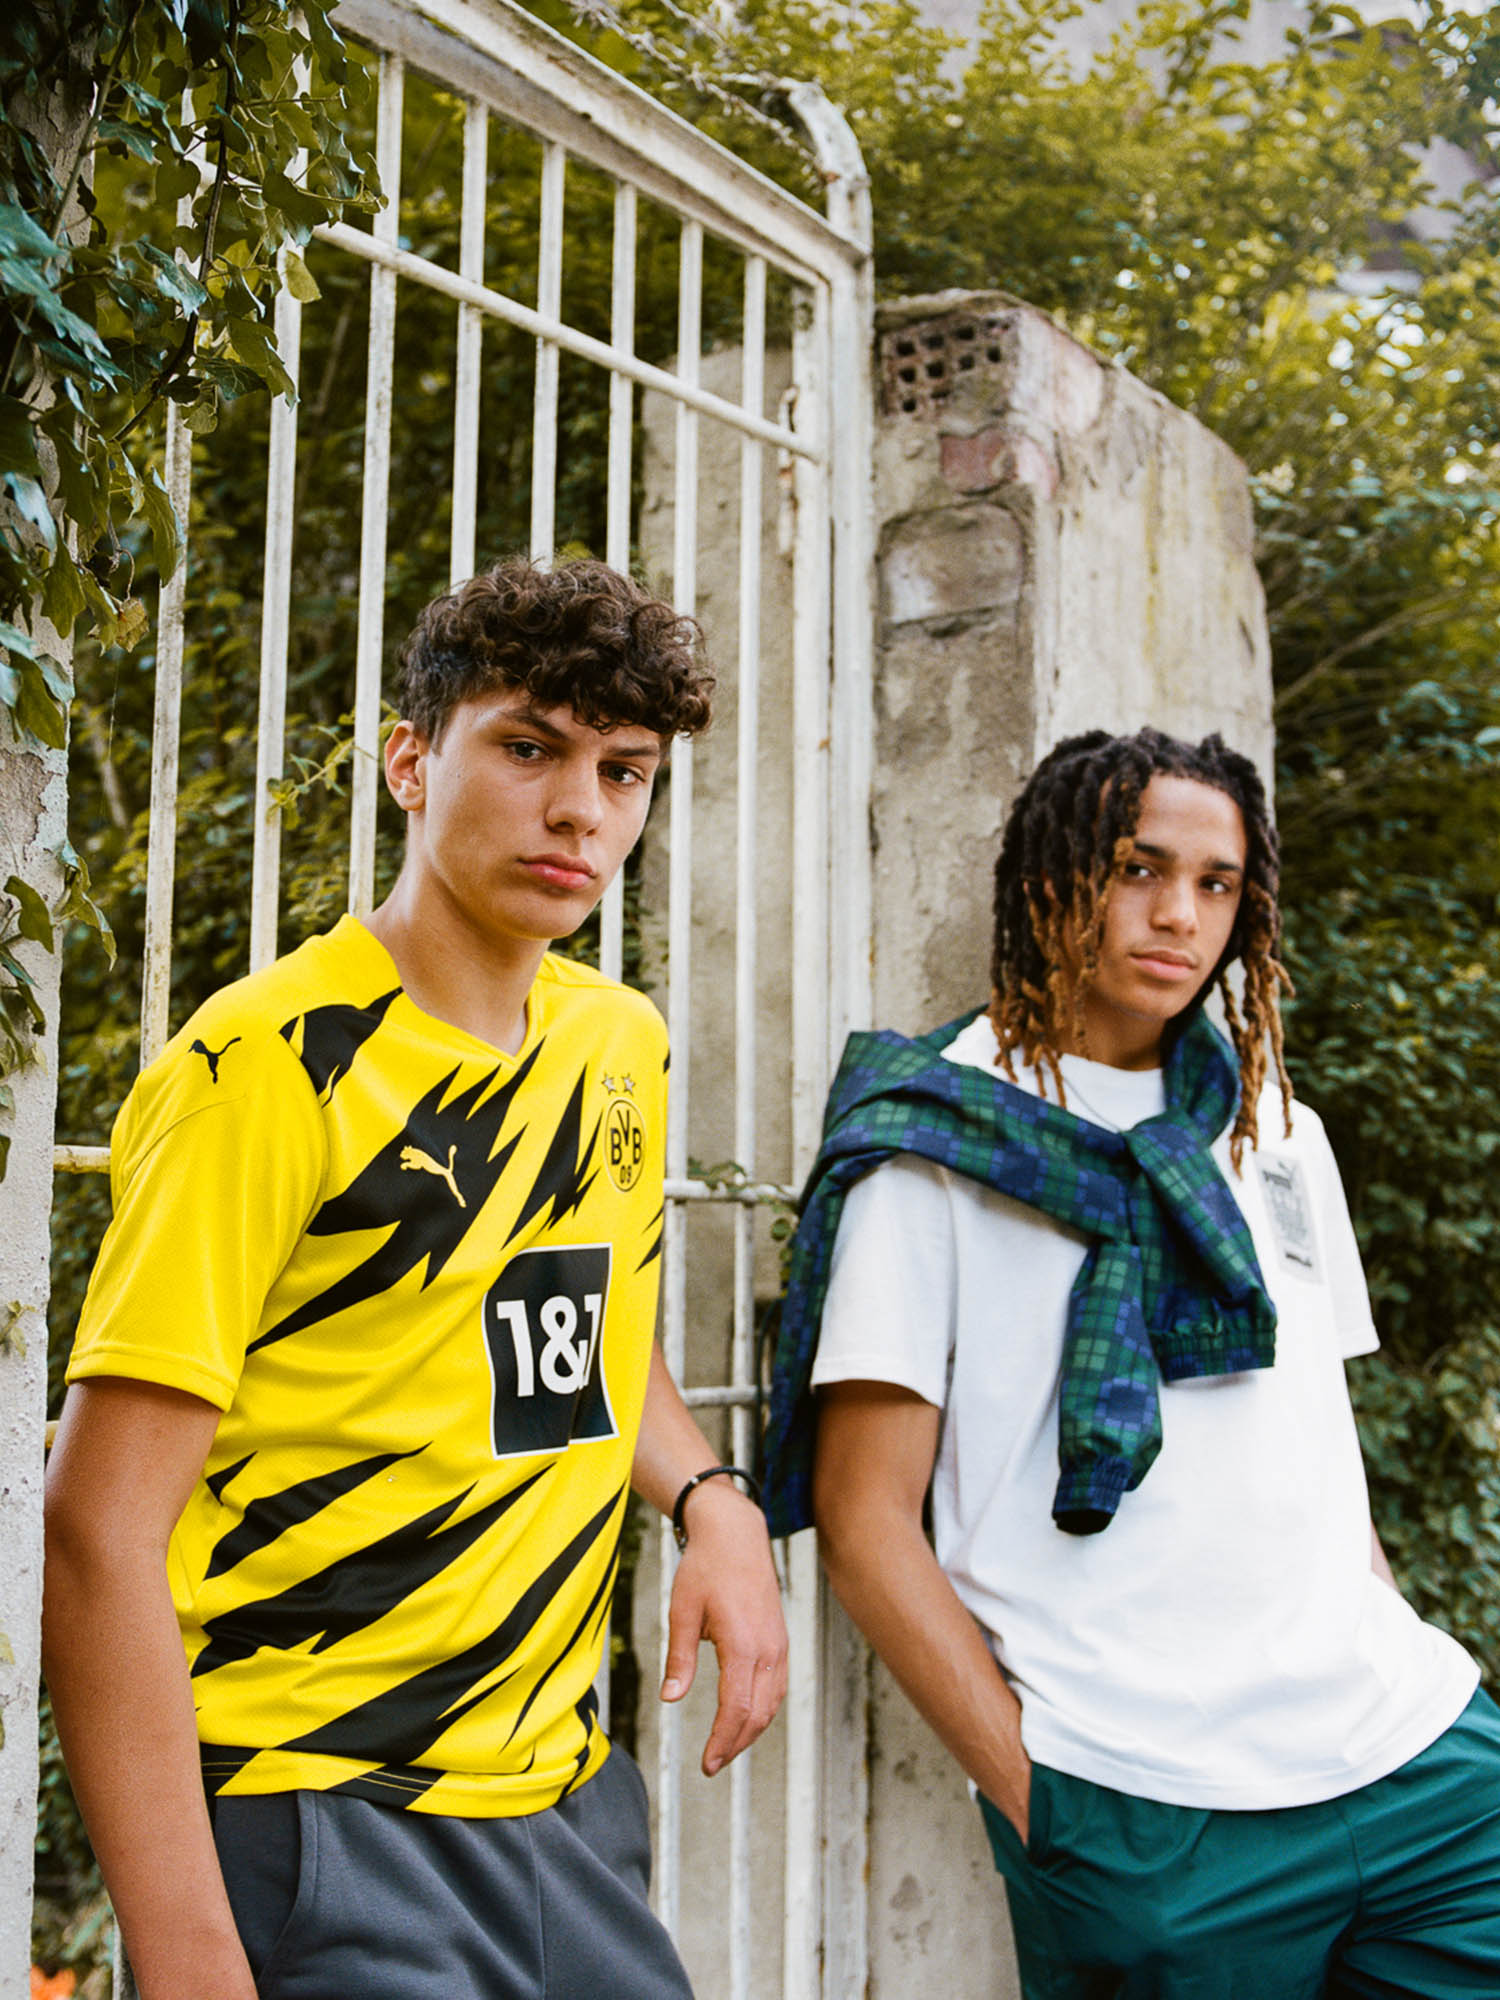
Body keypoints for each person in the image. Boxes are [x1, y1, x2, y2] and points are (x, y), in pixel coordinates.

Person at [44, 556, 787, 2000]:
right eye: (529, 748)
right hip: (321, 1810)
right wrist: (189, 1955)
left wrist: (712, 1497)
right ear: (409, 763)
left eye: (623, 771)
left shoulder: (617, 1044)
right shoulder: (261, 1069)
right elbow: (97, 1528)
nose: (580, 809)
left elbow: (587, 1324)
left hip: (570, 1807)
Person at [765, 726, 1500, 1998]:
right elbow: (864, 1513)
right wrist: (1043, 1805)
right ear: (1051, 876)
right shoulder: (932, 1149)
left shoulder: (1275, 1127)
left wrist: (1386, 1620)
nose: (1179, 915)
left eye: (1217, 883)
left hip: (1418, 1760)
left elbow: (1314, 1438)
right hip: (1144, 1815)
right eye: (1137, 868)